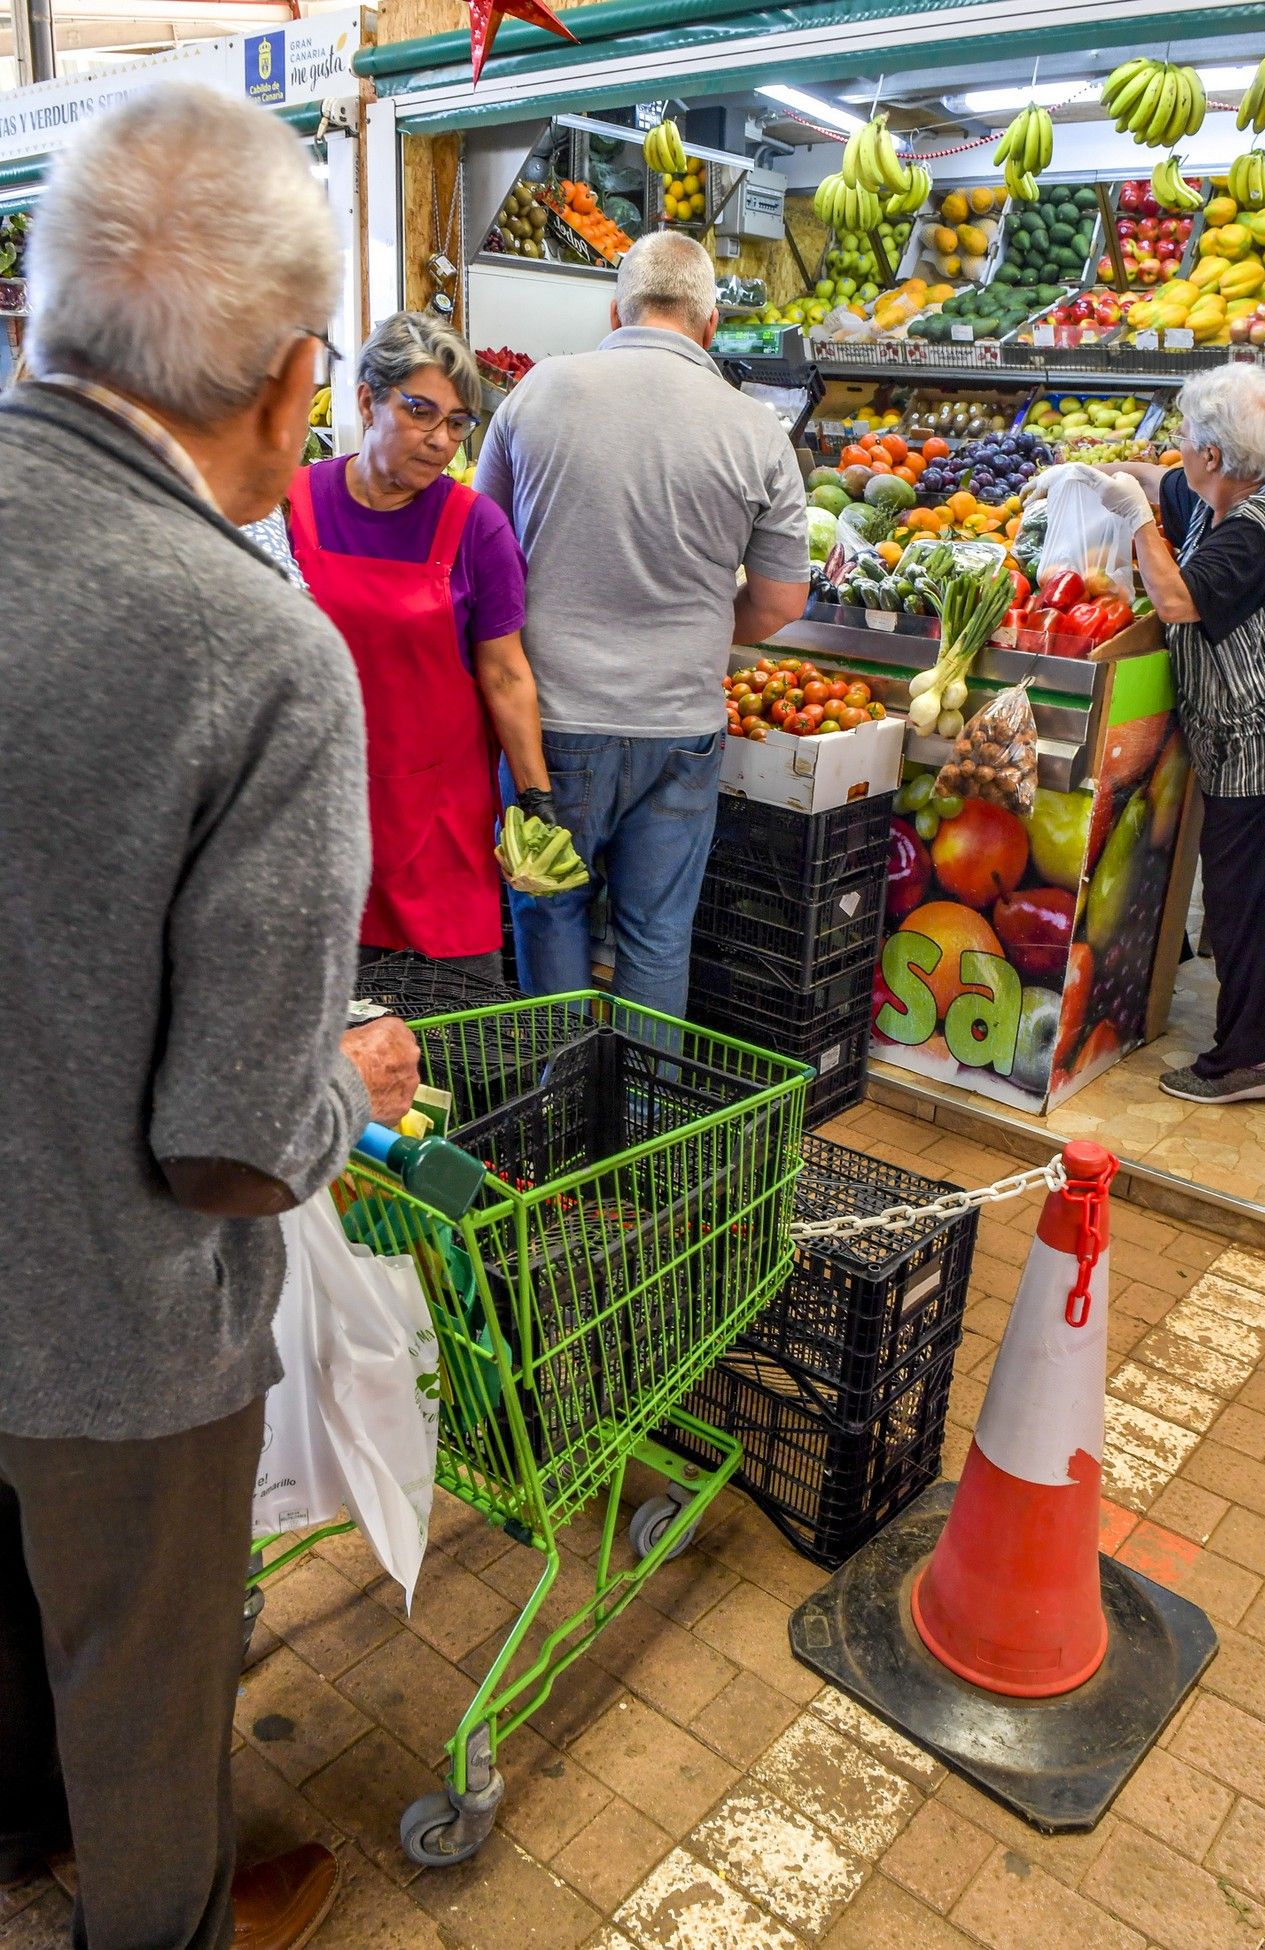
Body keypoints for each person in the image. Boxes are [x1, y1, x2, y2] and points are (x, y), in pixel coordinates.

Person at [0, 82, 421, 1948]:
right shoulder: (253, 652)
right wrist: (345, 1075)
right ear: (288, 380)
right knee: (142, 1689)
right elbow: (236, 1148)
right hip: (110, 1336)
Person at [474, 231, 810, 1018]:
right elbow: (780, 602)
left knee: (548, 912)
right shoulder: (756, 428)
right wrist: (689, 631)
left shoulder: (540, 392)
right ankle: (644, 1129)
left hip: (551, 727)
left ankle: (558, 1120)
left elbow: (481, 551)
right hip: (681, 729)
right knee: (657, 936)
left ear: (614, 307)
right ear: (711, 324)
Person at [1033, 363, 1265, 1105]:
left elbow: (1177, 600)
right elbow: (1158, 478)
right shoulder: (1222, 493)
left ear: (1215, 455)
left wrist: (1139, 522)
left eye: (1188, 436)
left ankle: (1246, 1060)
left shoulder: (1255, 529)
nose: (1179, 446)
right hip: (1244, 737)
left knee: (1248, 904)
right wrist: (1088, 475)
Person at [287, 312, 551, 987]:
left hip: (440, 831)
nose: (441, 441)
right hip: (318, 819)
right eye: (421, 412)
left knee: (455, 1045)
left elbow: (506, 673)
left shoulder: (475, 527)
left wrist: (535, 795)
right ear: (368, 399)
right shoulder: (291, 507)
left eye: (458, 422)